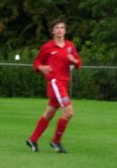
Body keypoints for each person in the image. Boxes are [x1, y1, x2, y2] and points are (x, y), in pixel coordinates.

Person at [26, 18, 82, 154]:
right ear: (52, 31)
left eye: (62, 27)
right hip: (55, 83)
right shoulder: (47, 47)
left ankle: (33, 139)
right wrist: (42, 68)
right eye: (57, 27)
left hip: (64, 83)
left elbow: (78, 63)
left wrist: (73, 60)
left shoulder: (70, 46)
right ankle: (56, 142)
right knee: (68, 112)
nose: (60, 30)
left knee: (49, 113)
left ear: (65, 30)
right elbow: (36, 63)